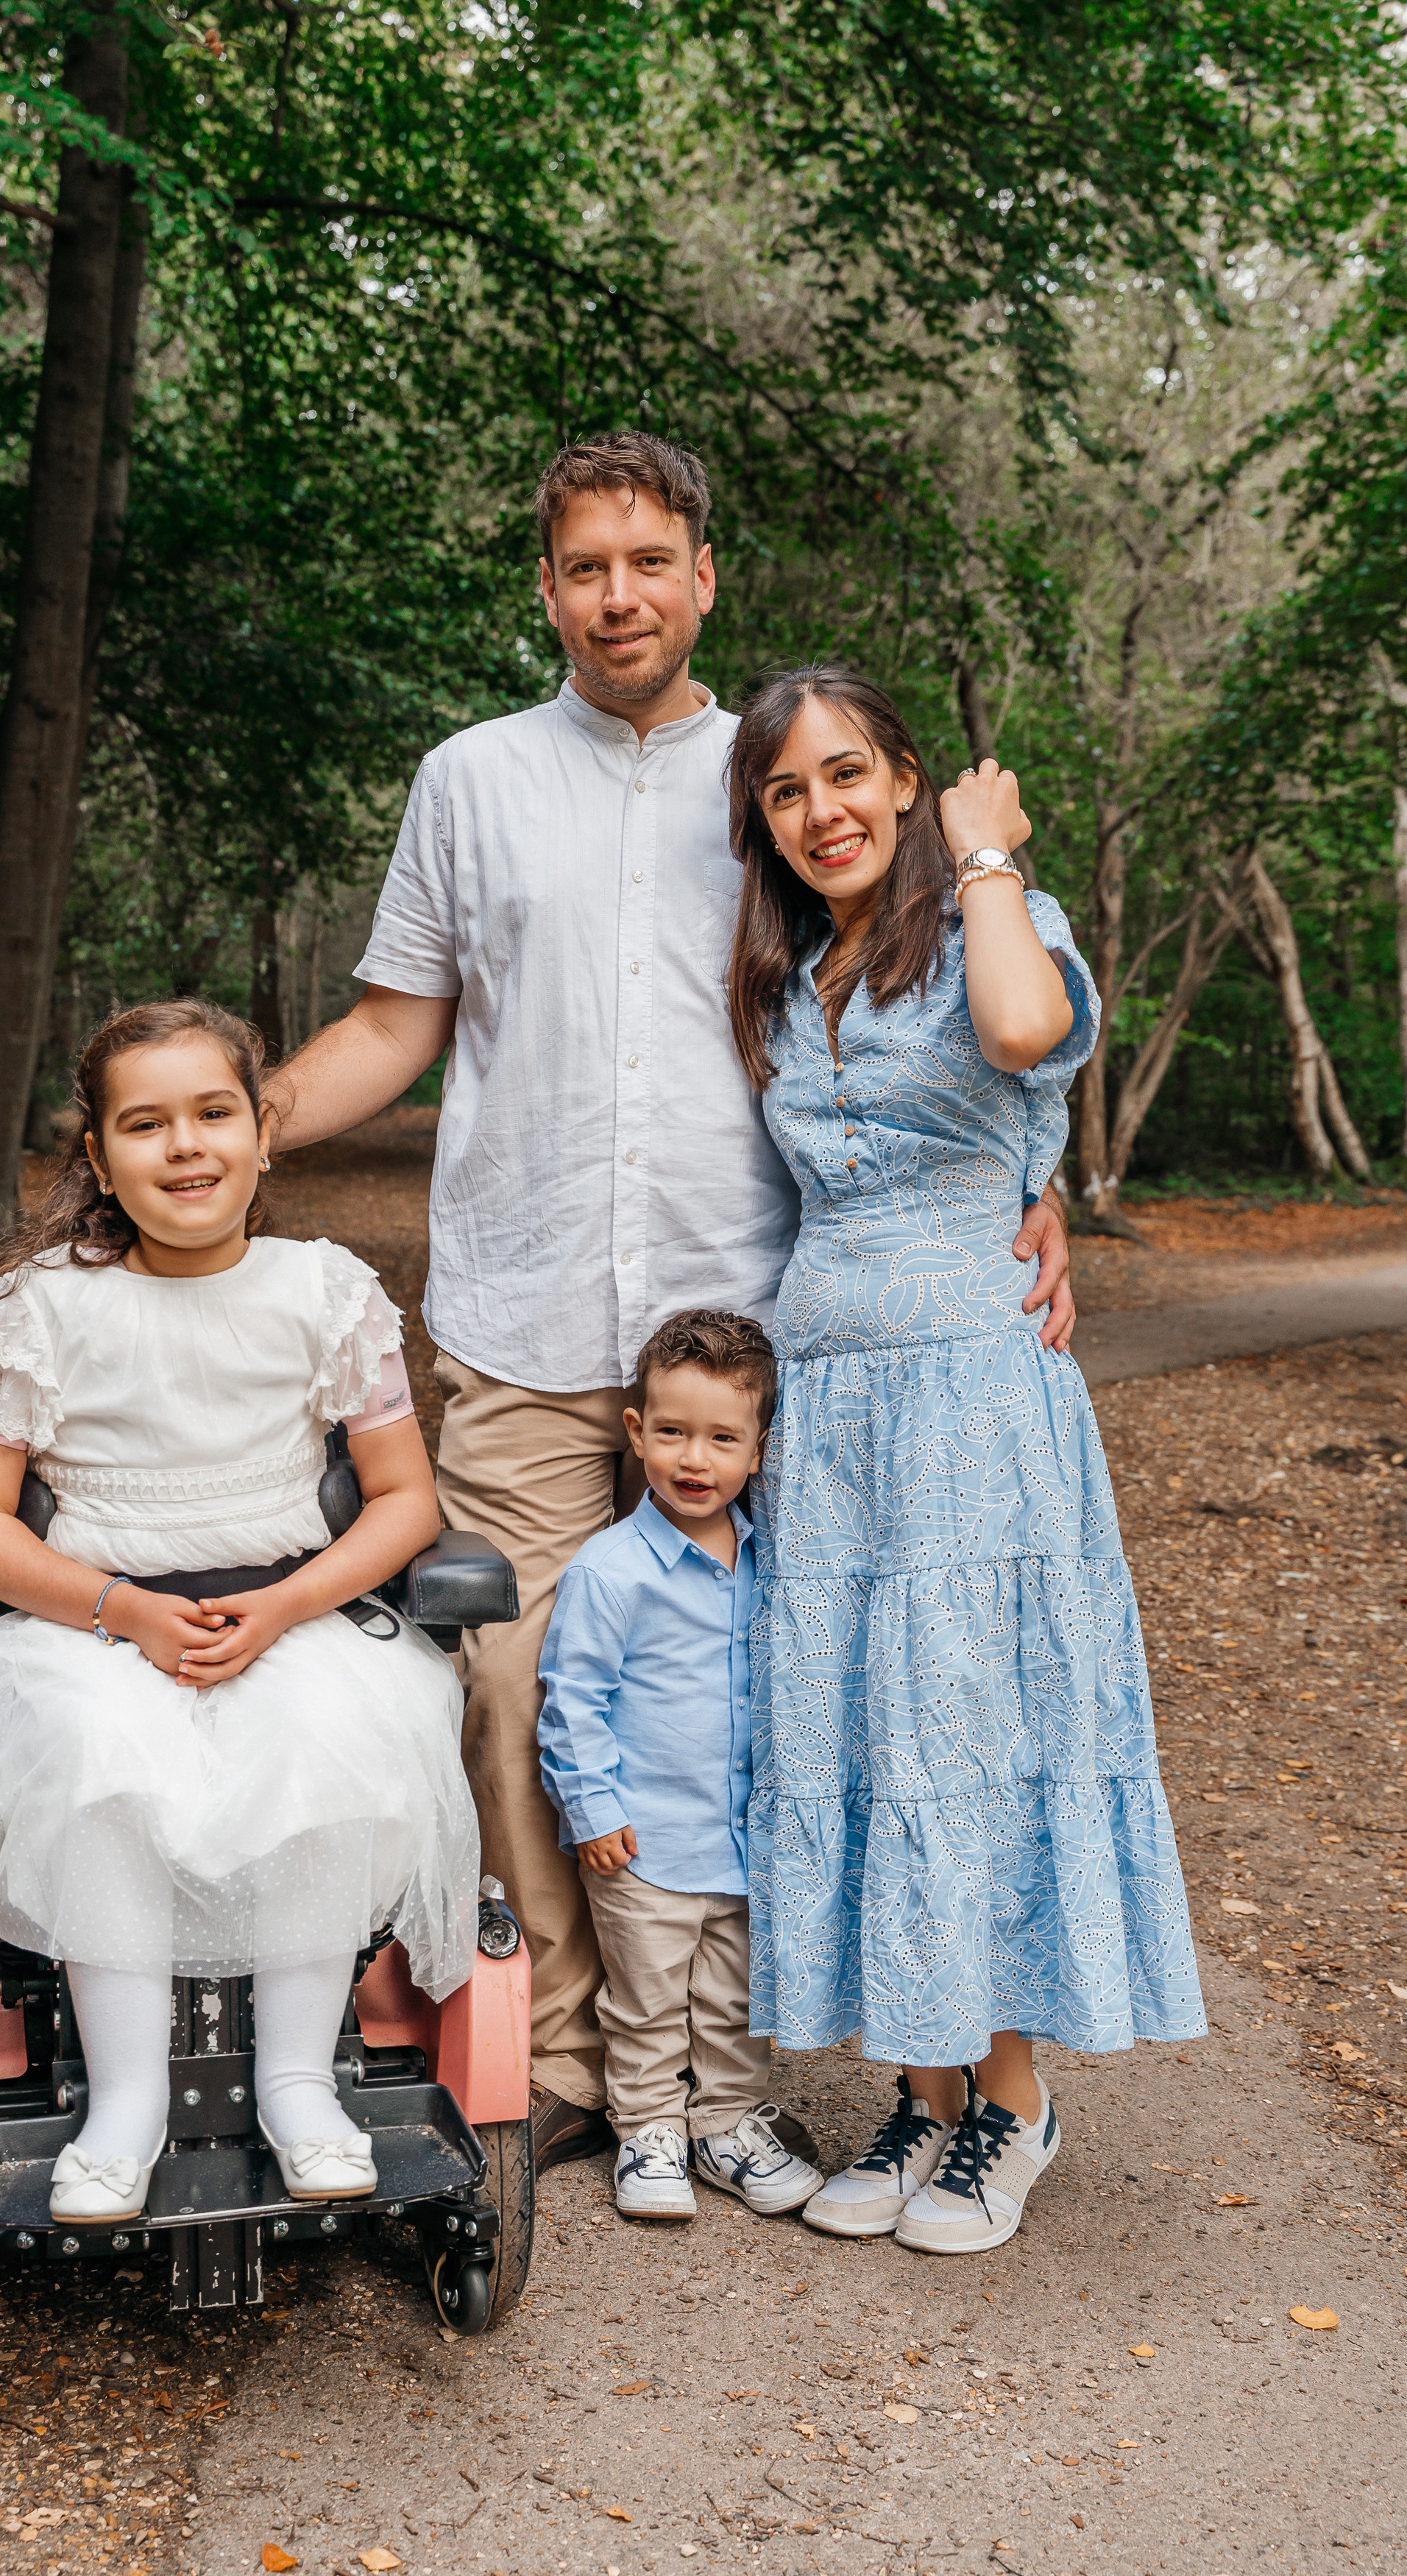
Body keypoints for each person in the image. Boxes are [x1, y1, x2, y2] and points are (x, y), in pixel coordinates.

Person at [260, 431, 1075, 2170]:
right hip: (526, 1317)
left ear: (703, 572)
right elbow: (400, 1024)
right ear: (542, 588)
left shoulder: (777, 778)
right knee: (516, 1690)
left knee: (785, 1684)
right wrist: (220, 1127)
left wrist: (1029, 1173)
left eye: (649, 560)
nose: (616, 595)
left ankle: (744, 2063)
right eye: (581, 567)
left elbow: (912, 995)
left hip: (764, 1331)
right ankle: (577, 2061)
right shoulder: (467, 779)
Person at [726, 665, 1205, 2257]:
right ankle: (926, 2096)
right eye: (788, 792)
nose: (823, 813)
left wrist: (985, 848)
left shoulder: (998, 916)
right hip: (833, 1408)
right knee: (862, 1725)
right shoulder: (790, 974)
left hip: (975, 1405)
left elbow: (1021, 1030)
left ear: (909, 776)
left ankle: (1015, 2096)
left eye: (849, 774)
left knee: (968, 1722)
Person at [0, 997, 478, 2227]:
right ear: (100, 1159)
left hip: (282, 1612)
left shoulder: (324, 1292)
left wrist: (286, 1608)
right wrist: (121, 1610)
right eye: (146, 1124)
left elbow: (402, 1501)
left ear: (263, 1137)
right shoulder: (38, 1312)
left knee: (336, 1734)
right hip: (97, 1626)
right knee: (91, 1756)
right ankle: (124, 2101)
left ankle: (297, 2081)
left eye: (214, 1114)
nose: (186, 1147)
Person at [536, 1309, 824, 2221]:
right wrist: (589, 1807)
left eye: (721, 1437)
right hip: (643, 1837)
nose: (693, 1458)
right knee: (648, 1999)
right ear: (636, 1432)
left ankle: (726, 2125)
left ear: (758, 1449)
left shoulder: (773, 1561)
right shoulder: (612, 1570)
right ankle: (649, 2130)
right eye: (671, 1432)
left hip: (742, 1836)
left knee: (734, 2000)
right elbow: (571, 1695)